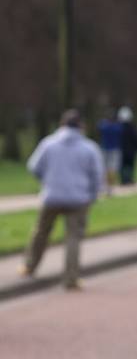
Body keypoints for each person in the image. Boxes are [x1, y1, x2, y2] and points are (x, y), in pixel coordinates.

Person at [20, 109, 105, 291]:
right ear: (81, 126)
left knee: (41, 232)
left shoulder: (48, 144)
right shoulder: (89, 148)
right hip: (79, 198)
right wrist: (92, 195)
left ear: (62, 124)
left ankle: (29, 266)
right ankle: (71, 279)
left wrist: (47, 181)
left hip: (52, 195)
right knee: (73, 237)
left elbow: (34, 166)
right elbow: (97, 175)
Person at [117, 107, 137, 186]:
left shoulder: (119, 128)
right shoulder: (132, 128)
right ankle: (129, 179)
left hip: (122, 151)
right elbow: (136, 139)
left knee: (123, 165)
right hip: (131, 151)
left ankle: (124, 180)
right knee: (130, 165)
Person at [97, 113, 123, 189]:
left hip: (105, 148)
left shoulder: (104, 126)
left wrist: (103, 121)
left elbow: (99, 126)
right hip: (115, 149)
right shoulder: (117, 127)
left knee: (105, 167)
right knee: (113, 168)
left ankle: (106, 184)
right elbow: (121, 129)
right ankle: (111, 184)